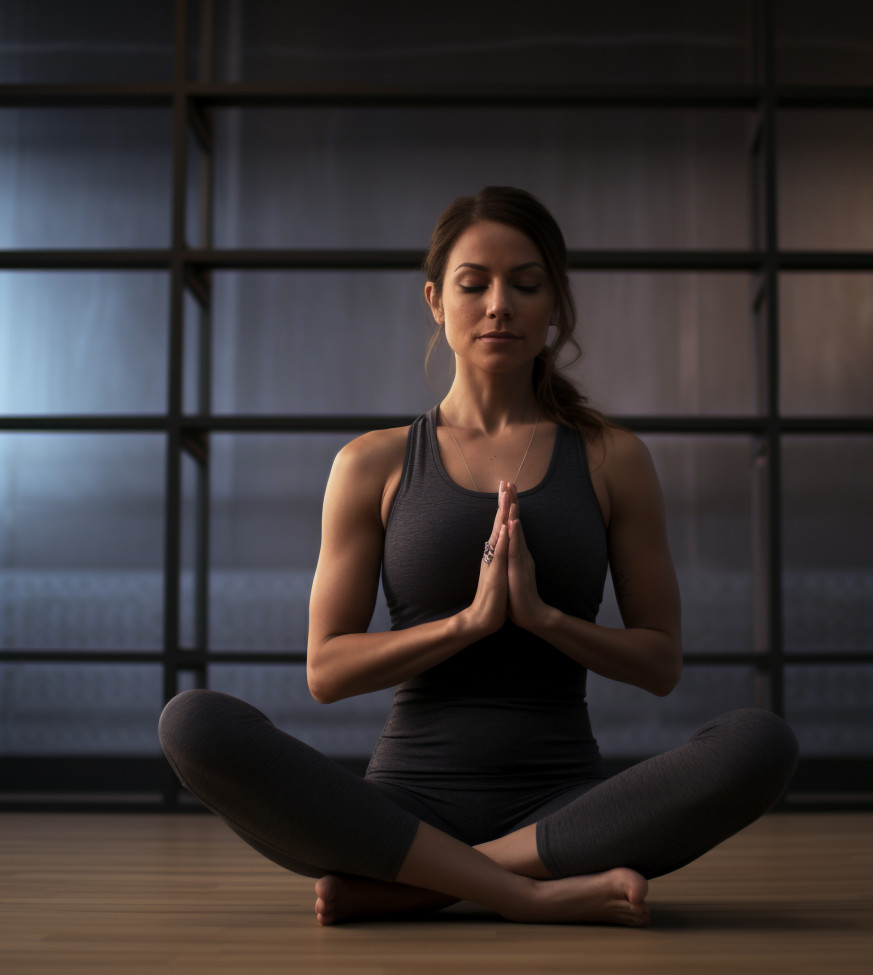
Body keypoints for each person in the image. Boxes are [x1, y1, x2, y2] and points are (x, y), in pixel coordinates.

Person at [159, 186, 798, 928]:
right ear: (436, 299)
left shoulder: (610, 458)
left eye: (526, 285)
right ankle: (525, 891)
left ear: (554, 302)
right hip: (404, 803)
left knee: (760, 742)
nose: (500, 304)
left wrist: (543, 618)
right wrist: (467, 624)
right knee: (192, 723)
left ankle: (430, 883)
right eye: (475, 285)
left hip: (563, 805)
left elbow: (659, 662)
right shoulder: (373, 462)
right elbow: (325, 670)